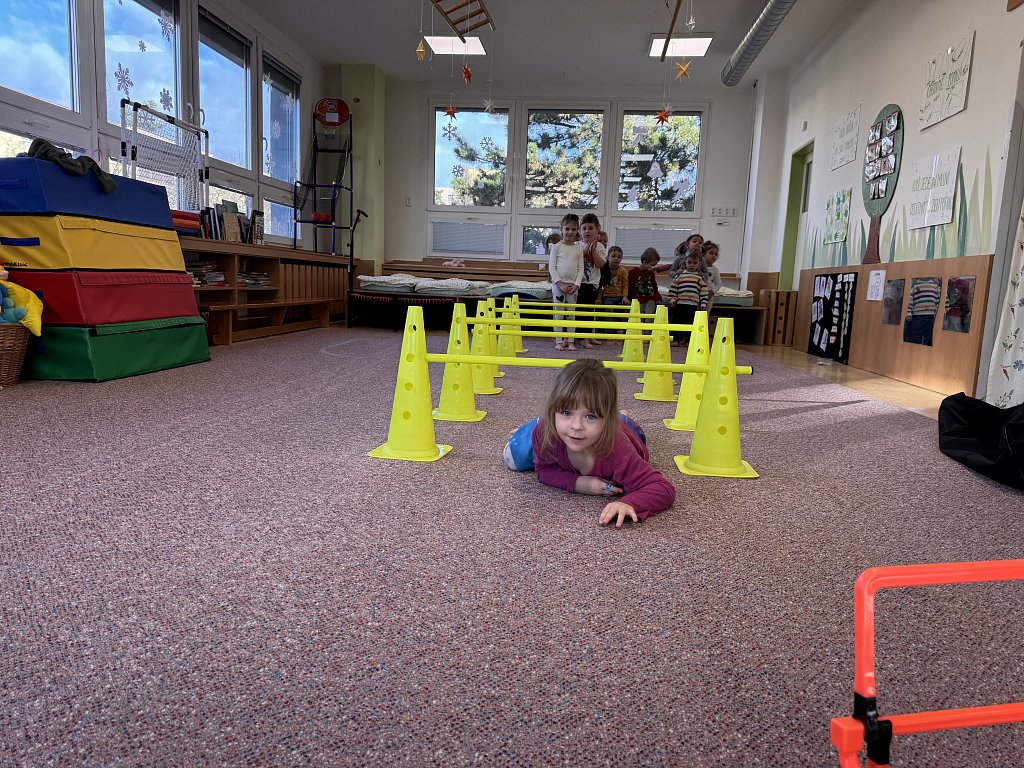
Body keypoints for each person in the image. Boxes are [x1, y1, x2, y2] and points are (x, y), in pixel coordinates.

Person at [502, 359, 675, 527]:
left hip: (630, 432)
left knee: (624, 420)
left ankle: (621, 415)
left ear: (607, 421)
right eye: (566, 412)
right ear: (553, 411)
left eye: (590, 416)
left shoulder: (619, 452)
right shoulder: (544, 431)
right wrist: (583, 484)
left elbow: (662, 488)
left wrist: (629, 503)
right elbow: (544, 471)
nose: (576, 426)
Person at [548, 213, 583, 351]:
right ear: (561, 228)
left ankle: (570, 341)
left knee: (571, 314)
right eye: (567, 229)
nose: (570, 232)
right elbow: (552, 267)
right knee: (558, 313)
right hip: (558, 286)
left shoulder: (578, 248)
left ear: (577, 230)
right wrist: (560, 283)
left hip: (573, 286)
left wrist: (576, 284)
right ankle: (559, 341)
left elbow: (581, 268)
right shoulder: (556, 247)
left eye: (573, 229)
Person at [666, 249, 709, 345]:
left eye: (695, 263)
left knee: (691, 322)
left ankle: (688, 340)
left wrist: (703, 302)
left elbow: (703, 291)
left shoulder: (699, 277)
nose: (692, 265)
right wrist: (672, 298)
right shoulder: (680, 276)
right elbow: (673, 288)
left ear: (699, 264)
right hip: (680, 303)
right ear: (685, 262)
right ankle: (676, 339)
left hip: (693, 305)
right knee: (677, 321)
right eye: (689, 262)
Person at [577, 213, 608, 348]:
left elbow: (601, 264)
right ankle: (579, 337)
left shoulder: (600, 246)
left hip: (592, 283)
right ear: (580, 231)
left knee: (589, 310)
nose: (587, 231)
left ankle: (588, 336)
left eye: (590, 228)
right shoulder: (577, 245)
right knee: (579, 311)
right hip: (579, 283)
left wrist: (594, 251)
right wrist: (587, 246)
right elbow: (576, 259)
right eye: (584, 228)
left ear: (597, 230)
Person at [627, 247, 663, 317]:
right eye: (652, 265)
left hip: (650, 299)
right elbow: (630, 287)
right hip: (637, 299)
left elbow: (654, 286)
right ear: (644, 262)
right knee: (638, 316)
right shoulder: (633, 272)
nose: (654, 267)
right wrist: (629, 298)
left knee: (649, 315)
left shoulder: (651, 272)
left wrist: (658, 297)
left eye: (655, 265)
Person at [701, 240, 723, 311]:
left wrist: (712, 291)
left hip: (709, 294)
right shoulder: (698, 267)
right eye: (711, 253)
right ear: (703, 254)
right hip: (697, 293)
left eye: (716, 254)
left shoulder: (715, 269)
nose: (714, 255)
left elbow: (719, 284)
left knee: (705, 313)